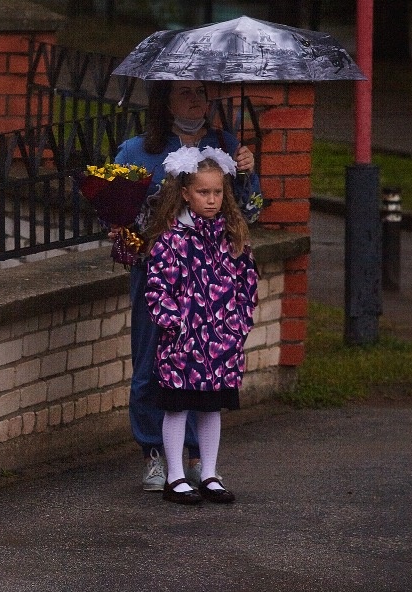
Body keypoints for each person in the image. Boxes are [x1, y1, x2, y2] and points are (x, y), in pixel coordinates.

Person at [112, 79, 263, 492]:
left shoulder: (227, 146)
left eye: (202, 92)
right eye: (185, 92)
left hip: (212, 284)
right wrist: (129, 227)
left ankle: (198, 458)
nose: (196, 100)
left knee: (206, 368)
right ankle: (154, 454)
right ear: (164, 100)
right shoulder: (138, 151)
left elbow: (250, 211)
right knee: (150, 365)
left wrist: (247, 175)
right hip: (160, 276)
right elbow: (120, 218)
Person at [144, 146, 258, 505]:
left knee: (211, 406)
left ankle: (209, 472)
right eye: (203, 192)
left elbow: (247, 283)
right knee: (177, 406)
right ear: (185, 193)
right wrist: (174, 323)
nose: (211, 200)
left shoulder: (231, 238)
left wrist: (238, 324)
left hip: (221, 342)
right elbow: (157, 287)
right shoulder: (171, 240)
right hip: (182, 343)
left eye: (218, 192)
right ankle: (175, 475)